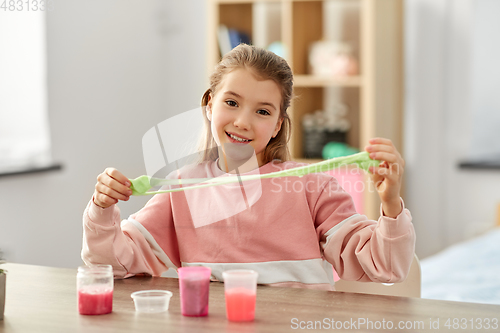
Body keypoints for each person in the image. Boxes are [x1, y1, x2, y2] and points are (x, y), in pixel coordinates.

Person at [82, 44, 415, 290]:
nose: (242, 122)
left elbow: (386, 267)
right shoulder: (180, 188)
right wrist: (102, 208)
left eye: (263, 111)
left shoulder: (313, 187)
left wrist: (390, 205)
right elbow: (114, 266)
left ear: (278, 125)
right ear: (210, 104)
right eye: (231, 103)